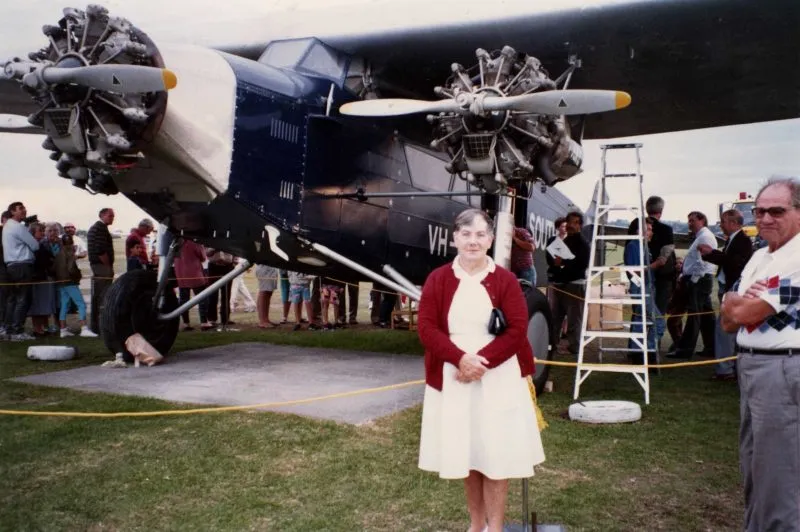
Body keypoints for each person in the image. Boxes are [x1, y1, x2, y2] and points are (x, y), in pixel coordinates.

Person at [417, 208, 545, 532]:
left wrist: (479, 363)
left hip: (498, 378)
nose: (472, 241)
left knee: (496, 455)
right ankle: (476, 525)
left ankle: (496, 528)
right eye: (466, 234)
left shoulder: (505, 280)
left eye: (480, 235)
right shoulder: (438, 279)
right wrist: (460, 359)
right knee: (469, 454)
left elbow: (517, 330)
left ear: (490, 240)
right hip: (455, 377)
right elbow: (427, 328)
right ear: (455, 238)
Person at [720, 176, 800, 532]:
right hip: (752, 365)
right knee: (754, 467)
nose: (765, 218)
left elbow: (745, 312)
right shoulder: (758, 256)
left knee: (781, 474)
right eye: (759, 211)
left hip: (783, 369)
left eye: (776, 211)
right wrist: (736, 301)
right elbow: (727, 320)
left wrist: (738, 302)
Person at [698, 209, 753, 380]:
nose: (720, 225)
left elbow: (734, 263)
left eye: (723, 221)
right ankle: (731, 367)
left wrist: (711, 253)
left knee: (724, 330)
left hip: (734, 290)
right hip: (729, 289)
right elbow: (728, 260)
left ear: (734, 223)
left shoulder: (743, 241)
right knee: (729, 331)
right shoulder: (734, 239)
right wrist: (711, 254)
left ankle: (725, 370)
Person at [668, 211, 717, 359]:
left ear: (702, 220)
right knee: (706, 316)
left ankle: (685, 350)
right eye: (689, 221)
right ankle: (711, 348)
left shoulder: (705, 237)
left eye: (692, 220)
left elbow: (703, 263)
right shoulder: (701, 236)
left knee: (694, 316)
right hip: (699, 279)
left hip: (699, 280)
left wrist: (692, 280)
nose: (690, 224)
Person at [628, 196, 676, 347]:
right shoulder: (666, 230)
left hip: (639, 279)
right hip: (657, 279)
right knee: (657, 316)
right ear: (661, 210)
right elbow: (667, 256)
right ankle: (651, 349)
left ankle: (635, 349)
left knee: (638, 315)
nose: (651, 232)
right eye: (648, 230)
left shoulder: (634, 224)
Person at [545, 211, 590, 355]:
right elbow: (552, 260)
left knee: (574, 319)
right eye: (570, 222)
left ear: (580, 225)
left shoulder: (583, 243)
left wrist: (563, 262)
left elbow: (582, 264)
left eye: (575, 222)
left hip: (575, 284)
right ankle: (552, 344)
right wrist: (556, 263)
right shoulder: (563, 241)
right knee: (555, 316)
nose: (571, 225)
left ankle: (574, 347)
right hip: (559, 284)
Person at [3, 202, 39, 340]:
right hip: (22, 265)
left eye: (24, 208)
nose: (24, 210)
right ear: (12, 212)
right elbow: (35, 246)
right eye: (20, 209)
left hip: (11, 266)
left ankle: (9, 329)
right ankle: (17, 331)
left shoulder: (7, 226)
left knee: (12, 299)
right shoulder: (18, 227)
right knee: (23, 299)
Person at [623, 218, 657, 363]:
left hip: (648, 286)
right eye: (648, 229)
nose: (651, 233)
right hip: (640, 287)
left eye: (651, 230)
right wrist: (655, 265)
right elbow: (634, 271)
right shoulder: (633, 246)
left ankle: (638, 353)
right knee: (657, 322)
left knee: (640, 320)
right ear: (638, 231)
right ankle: (646, 352)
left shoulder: (644, 246)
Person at [52, 234, 96, 338]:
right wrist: (78, 276)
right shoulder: (70, 253)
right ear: (72, 243)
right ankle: (84, 328)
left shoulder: (58, 254)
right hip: (70, 282)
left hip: (61, 283)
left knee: (64, 305)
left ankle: (63, 329)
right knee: (81, 304)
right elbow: (72, 269)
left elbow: (53, 269)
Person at [87, 208, 115, 334]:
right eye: (110, 216)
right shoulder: (99, 228)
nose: (112, 218)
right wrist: (108, 266)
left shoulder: (98, 228)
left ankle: (97, 325)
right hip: (101, 266)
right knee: (102, 296)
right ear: (102, 215)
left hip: (98, 265)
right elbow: (100, 250)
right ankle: (99, 326)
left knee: (99, 296)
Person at [173, 239, 211, 331]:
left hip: (180, 274)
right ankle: (204, 322)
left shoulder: (175, 242)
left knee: (183, 300)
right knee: (202, 298)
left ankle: (186, 323)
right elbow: (203, 257)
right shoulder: (194, 242)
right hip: (194, 273)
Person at [254, 264, 279, 328]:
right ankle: (262, 321)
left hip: (270, 267)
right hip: (265, 268)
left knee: (268, 293)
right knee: (264, 292)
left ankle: (266, 319)